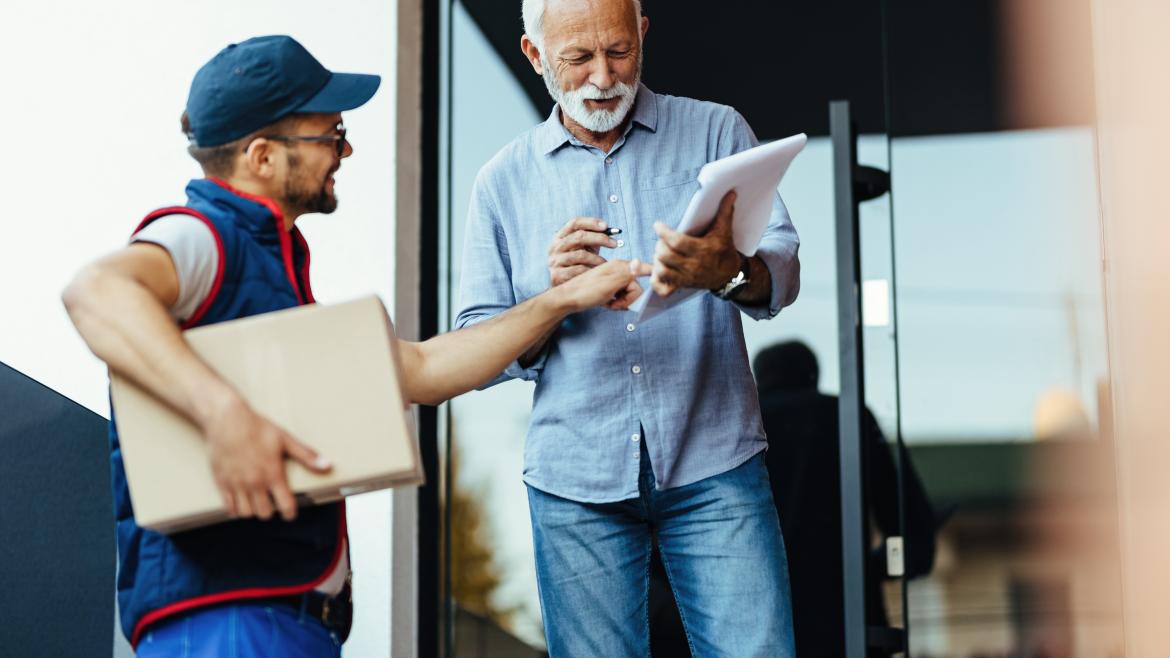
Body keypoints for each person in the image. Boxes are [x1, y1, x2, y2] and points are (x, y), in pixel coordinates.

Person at [61, 35, 647, 657]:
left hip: (289, 622)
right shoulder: (202, 238)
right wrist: (222, 414)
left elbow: (421, 368)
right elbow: (95, 291)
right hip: (231, 624)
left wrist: (559, 302)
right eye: (329, 135)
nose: (346, 149)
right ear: (261, 156)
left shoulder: (272, 272)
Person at [454, 0, 802, 654]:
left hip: (715, 459)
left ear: (641, 33)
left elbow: (780, 270)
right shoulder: (501, 182)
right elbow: (478, 338)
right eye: (577, 59)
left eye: (618, 51)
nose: (603, 77)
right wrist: (551, 296)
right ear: (535, 57)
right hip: (573, 483)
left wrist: (725, 270)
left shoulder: (716, 132)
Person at [753, 341, 938, 657]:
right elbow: (904, 520)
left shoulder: (745, 423)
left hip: (767, 617)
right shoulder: (848, 417)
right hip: (849, 616)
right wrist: (872, 567)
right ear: (813, 375)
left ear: (758, 378)